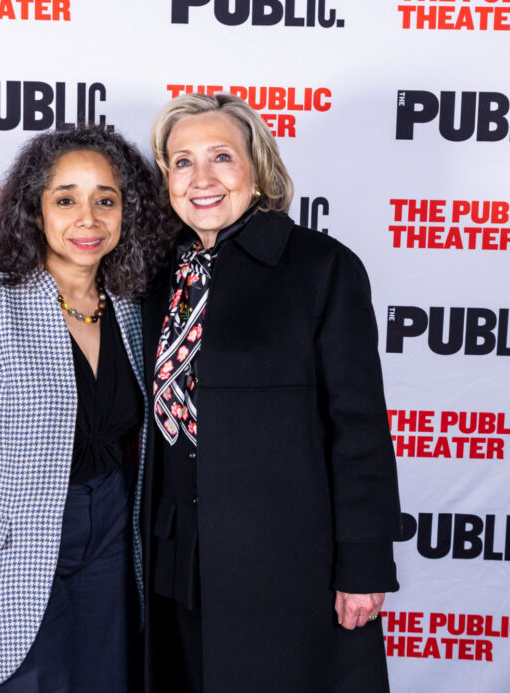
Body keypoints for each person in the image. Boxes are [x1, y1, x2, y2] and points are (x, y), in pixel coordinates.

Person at [141, 93, 403, 693]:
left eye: (221, 157)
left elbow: (358, 429)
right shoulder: (158, 277)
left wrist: (364, 563)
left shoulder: (322, 267)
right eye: (182, 162)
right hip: (177, 564)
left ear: (257, 171)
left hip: (289, 563)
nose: (201, 179)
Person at [0, 125, 166, 693]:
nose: (88, 219)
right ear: (35, 210)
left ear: (127, 212)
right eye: (66, 200)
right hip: (13, 548)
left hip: (113, 537)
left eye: (106, 201)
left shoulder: (132, 307)